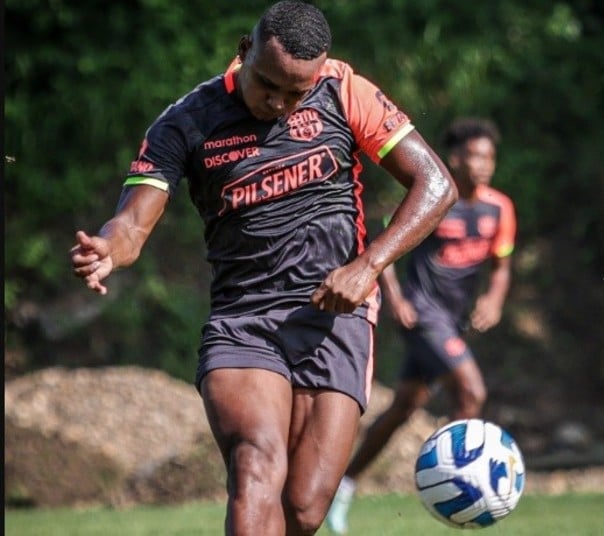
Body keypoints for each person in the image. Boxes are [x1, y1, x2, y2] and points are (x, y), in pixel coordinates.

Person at [69, 2, 456, 535]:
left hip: (336, 317)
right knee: (256, 464)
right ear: (244, 51)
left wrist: (369, 265)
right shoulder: (186, 121)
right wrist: (109, 249)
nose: (278, 103)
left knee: (303, 508)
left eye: (295, 94)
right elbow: (133, 223)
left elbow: (436, 185)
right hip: (244, 321)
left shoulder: (344, 91)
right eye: (267, 85)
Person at [325, 117, 516, 534]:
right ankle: (454, 483)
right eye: (474, 155)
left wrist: (494, 299)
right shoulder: (436, 199)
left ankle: (343, 485)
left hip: (453, 322)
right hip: (422, 315)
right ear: (455, 158)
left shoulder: (499, 208)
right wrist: (394, 298)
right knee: (471, 392)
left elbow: (501, 267)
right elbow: (387, 239)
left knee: (403, 407)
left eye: (489, 157)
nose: (483, 164)